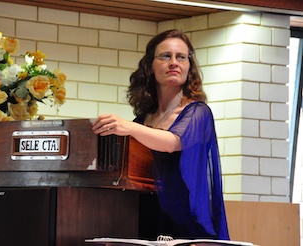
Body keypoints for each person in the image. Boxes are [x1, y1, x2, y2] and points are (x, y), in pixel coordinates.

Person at [92, 29, 229, 240]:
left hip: (183, 223)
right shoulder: (143, 119)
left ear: (189, 67)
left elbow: (172, 142)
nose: (174, 62)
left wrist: (129, 127)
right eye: (165, 56)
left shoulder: (198, 112)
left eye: (181, 57)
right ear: (150, 66)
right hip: (142, 214)